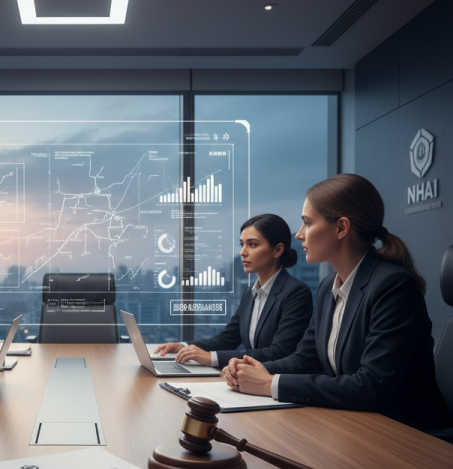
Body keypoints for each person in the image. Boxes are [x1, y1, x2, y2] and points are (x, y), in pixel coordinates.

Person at [223, 174, 451, 430]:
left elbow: (370, 386)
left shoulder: (393, 286)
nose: (299, 235)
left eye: (307, 223)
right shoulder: (327, 287)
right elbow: (306, 359)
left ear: (341, 228)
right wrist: (252, 367)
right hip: (352, 423)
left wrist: (269, 384)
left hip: (405, 433)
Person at [154, 213, 313, 368]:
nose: (243, 252)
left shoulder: (296, 293)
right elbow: (227, 339)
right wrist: (183, 346)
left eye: (252, 244)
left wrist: (211, 358)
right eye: (242, 244)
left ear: (277, 250)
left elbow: (279, 352)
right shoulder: (250, 292)